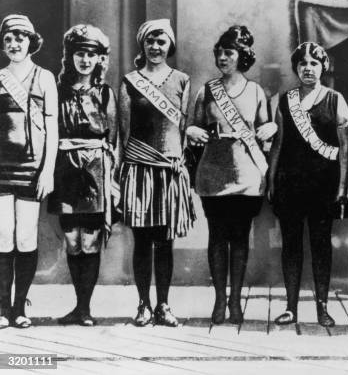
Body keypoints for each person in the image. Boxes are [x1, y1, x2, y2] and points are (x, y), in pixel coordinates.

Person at [187, 25, 277, 325]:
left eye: (229, 52)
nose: (223, 57)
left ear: (242, 56)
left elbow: (266, 131)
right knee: (216, 237)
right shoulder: (206, 91)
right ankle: (219, 301)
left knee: (239, 238)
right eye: (220, 52)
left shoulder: (255, 91)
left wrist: (270, 128)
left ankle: (236, 301)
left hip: (246, 175)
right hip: (213, 173)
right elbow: (192, 126)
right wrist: (193, 131)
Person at [118, 19, 196, 327]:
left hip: (169, 170)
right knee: (142, 241)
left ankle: (163, 305)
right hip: (138, 168)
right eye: (150, 41)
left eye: (161, 42)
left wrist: (180, 160)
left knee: (165, 241)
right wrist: (121, 169)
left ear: (170, 46)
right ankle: (143, 305)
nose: (155, 47)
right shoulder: (129, 81)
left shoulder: (181, 80)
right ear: (142, 44)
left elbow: (183, 129)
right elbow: (123, 132)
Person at [268, 42, 348, 327]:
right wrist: (271, 180)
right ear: (295, 68)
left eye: (314, 63)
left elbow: (345, 148)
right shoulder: (283, 100)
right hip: (290, 183)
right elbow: (277, 145)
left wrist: (343, 186)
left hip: (323, 185)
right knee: (291, 245)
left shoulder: (335, 99)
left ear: (323, 68)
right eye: (302, 63)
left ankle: (322, 307)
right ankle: (291, 306)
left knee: (320, 246)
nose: (308, 68)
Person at [47, 24, 116, 326]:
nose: (85, 60)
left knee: (90, 240)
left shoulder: (104, 93)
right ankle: (77, 307)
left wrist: (111, 179)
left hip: (95, 168)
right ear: (70, 57)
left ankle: (86, 308)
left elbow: (113, 139)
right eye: (79, 54)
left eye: (91, 54)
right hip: (65, 167)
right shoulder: (58, 91)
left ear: (99, 59)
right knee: (72, 240)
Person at [0, 14, 58, 328]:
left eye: (20, 37)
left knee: (25, 238)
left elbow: (52, 128)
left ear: (31, 41)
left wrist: (47, 171)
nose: (14, 43)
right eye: (8, 38)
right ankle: (1, 308)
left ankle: (20, 308)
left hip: (32, 170)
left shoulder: (45, 77)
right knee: (1, 238)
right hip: (1, 170)